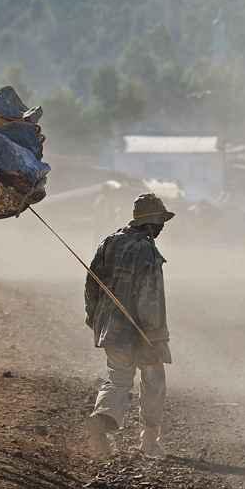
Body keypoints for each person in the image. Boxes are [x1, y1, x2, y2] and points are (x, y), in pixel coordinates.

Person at [84, 192, 173, 459]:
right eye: (160, 221)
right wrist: (155, 335)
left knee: (119, 379)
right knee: (154, 382)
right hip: (141, 332)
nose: (162, 227)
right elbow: (150, 298)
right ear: (151, 222)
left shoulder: (108, 243)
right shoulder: (148, 251)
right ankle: (149, 443)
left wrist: (95, 319)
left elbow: (91, 285)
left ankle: (101, 420)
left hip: (110, 328)